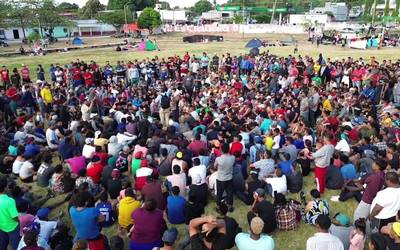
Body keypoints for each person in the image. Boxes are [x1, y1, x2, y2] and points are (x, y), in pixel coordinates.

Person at [0, 177, 21, 250]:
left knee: (2, 245)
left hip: (1, 226)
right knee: (16, 246)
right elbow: (14, 217)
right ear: (5, 187)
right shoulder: (10, 201)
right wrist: (19, 222)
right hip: (13, 227)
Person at [214, 143, 235, 212]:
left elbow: (215, 166)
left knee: (219, 193)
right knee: (230, 193)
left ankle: (218, 206)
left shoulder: (218, 159)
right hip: (229, 178)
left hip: (221, 178)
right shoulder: (233, 157)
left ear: (221, 150)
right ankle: (230, 206)